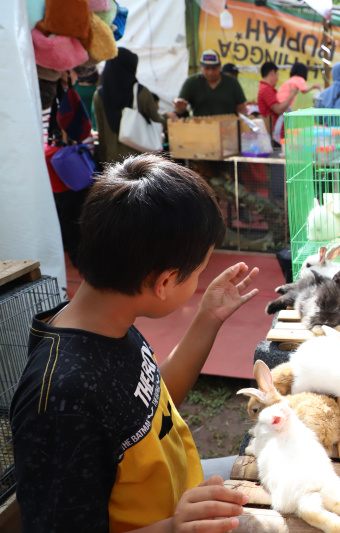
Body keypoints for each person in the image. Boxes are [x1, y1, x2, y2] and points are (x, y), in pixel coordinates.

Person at [10, 154, 257, 531]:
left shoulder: (109, 321)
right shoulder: (63, 401)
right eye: (199, 272)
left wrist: (208, 317)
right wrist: (173, 527)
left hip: (183, 497)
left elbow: (151, 403)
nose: (198, 285)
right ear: (164, 283)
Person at [93, 47, 165, 166]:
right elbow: (156, 121)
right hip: (140, 159)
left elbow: (101, 131)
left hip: (112, 160)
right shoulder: (141, 92)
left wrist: (103, 160)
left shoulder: (100, 95)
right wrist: (168, 117)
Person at [174, 50, 246, 117]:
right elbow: (179, 110)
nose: (210, 72)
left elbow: (241, 108)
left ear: (220, 67)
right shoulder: (191, 82)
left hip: (228, 126)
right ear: (201, 67)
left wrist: (243, 124)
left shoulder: (232, 82)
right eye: (207, 68)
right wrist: (180, 109)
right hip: (201, 127)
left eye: (214, 68)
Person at [272, 62, 322, 142]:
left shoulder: (290, 80)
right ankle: (277, 135)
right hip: (285, 103)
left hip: (279, 100)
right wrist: (313, 86)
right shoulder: (300, 79)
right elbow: (304, 91)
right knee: (284, 119)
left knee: (283, 119)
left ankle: (285, 135)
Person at [258, 61, 297, 143]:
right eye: (277, 74)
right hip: (274, 138)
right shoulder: (266, 89)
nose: (277, 78)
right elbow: (278, 110)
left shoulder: (267, 89)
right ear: (272, 73)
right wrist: (291, 95)